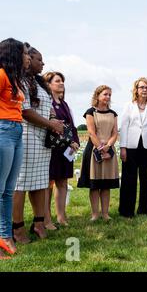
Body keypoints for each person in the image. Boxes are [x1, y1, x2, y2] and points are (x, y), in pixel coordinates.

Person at [13, 44, 65, 243]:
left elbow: (47, 106)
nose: (42, 63)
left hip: (42, 140)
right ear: (28, 60)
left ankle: (39, 223)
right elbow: (25, 111)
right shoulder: (21, 81)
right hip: (27, 137)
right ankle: (17, 227)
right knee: (21, 183)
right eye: (38, 59)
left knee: (40, 183)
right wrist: (50, 123)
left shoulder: (38, 82)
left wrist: (54, 119)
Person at [0, 38, 30, 259]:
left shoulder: (15, 78)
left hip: (16, 130)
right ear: (14, 54)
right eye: (24, 53)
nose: (26, 57)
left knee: (8, 190)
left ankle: (5, 236)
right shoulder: (1, 75)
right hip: (3, 129)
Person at [119, 78, 147, 218]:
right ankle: (126, 210)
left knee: (145, 178)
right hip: (130, 146)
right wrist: (123, 147)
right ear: (136, 89)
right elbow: (124, 127)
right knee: (128, 179)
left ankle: (144, 209)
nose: (144, 90)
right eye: (141, 87)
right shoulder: (128, 106)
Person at [43, 72, 80, 229]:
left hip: (65, 149)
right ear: (49, 84)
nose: (61, 83)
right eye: (57, 81)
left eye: (62, 81)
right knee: (48, 183)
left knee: (62, 182)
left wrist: (75, 142)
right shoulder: (47, 103)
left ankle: (61, 216)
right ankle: (45, 218)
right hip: (52, 148)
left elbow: (72, 126)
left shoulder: (65, 105)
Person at [77, 85, 119, 221]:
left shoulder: (113, 113)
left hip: (109, 150)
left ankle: (105, 214)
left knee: (106, 184)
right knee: (95, 185)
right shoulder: (90, 112)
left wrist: (108, 146)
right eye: (105, 94)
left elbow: (115, 132)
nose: (107, 97)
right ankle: (95, 214)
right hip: (94, 150)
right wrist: (101, 147)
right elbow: (91, 132)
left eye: (109, 95)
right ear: (98, 96)